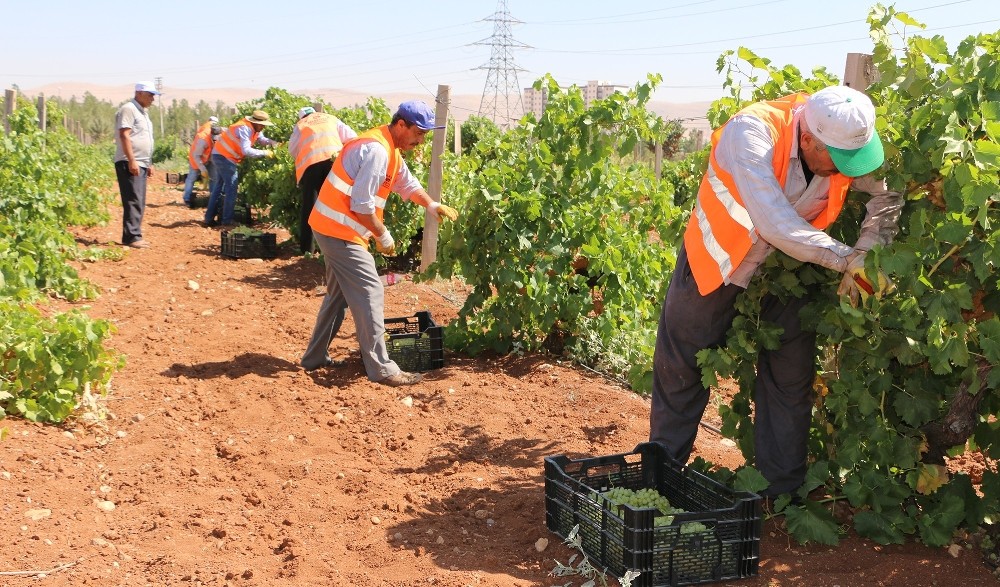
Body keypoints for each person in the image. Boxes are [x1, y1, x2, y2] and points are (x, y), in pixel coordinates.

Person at [649, 85, 902, 499]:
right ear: (807, 140)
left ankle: (778, 496)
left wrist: (870, 252)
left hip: (791, 269)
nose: (847, 172)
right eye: (837, 162)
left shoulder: (841, 139)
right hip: (719, 260)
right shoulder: (749, 134)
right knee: (682, 369)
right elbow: (774, 223)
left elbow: (885, 196)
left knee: (791, 376)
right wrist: (846, 260)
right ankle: (659, 483)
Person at [301, 100, 459, 387]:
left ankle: (313, 358)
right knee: (370, 289)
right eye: (419, 133)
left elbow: (408, 184)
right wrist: (382, 235)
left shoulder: (390, 150)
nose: (421, 140)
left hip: (334, 227)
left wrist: (432, 204)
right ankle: (382, 369)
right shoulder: (376, 150)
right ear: (401, 125)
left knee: (338, 297)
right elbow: (362, 205)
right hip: (338, 231)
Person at [288, 106, 357, 254]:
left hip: (311, 166)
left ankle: (308, 250)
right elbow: (352, 137)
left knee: (310, 207)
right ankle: (339, 247)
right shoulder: (331, 118)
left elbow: (292, 149)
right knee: (336, 205)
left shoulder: (301, 125)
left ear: (301, 117)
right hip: (334, 163)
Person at [204, 110, 279, 227]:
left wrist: (273, 142)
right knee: (231, 188)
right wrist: (266, 153)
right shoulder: (245, 128)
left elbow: (262, 139)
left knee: (218, 188)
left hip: (219, 155)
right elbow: (246, 150)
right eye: (262, 125)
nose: (264, 127)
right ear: (256, 122)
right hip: (225, 157)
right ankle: (227, 221)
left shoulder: (255, 129)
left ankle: (208, 219)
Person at [113, 81, 159, 248]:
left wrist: (148, 162)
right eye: (150, 94)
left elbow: (144, 139)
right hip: (129, 161)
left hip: (141, 162)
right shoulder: (129, 109)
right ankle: (132, 237)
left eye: (154, 95)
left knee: (139, 199)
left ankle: (133, 234)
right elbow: (124, 135)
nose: (153, 98)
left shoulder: (143, 113)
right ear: (139, 93)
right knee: (133, 199)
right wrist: (131, 160)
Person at [182, 116, 219, 208]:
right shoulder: (203, 139)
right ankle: (187, 199)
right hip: (196, 158)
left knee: (215, 177)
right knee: (192, 178)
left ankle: (214, 198)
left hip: (208, 158)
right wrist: (202, 169)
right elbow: (196, 156)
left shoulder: (218, 132)